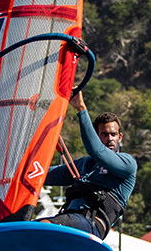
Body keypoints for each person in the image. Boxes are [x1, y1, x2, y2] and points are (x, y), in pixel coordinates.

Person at [42, 91, 136, 238]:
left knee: (45, 226)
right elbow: (42, 175)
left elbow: (97, 151)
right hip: (69, 219)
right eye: (104, 134)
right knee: (27, 227)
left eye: (113, 134)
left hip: (93, 225)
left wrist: (81, 108)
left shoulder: (128, 164)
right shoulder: (85, 164)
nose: (110, 138)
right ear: (97, 137)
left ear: (120, 137)